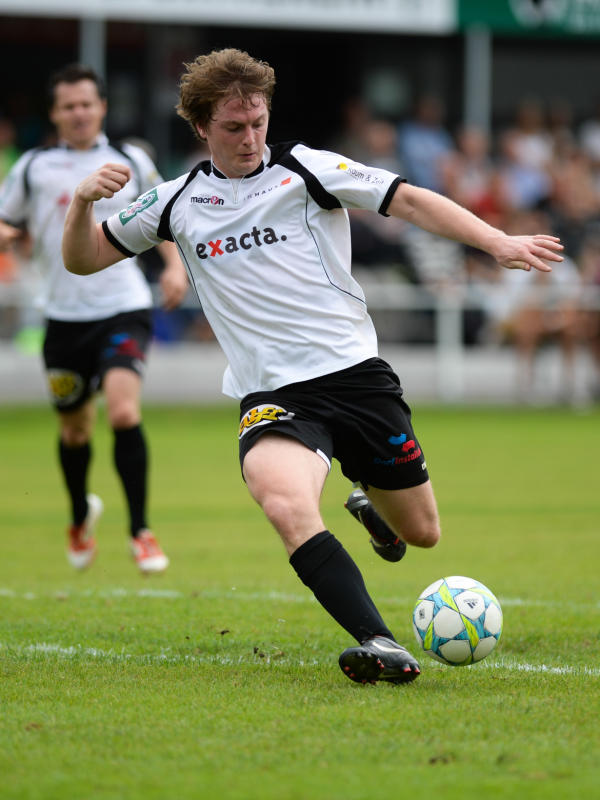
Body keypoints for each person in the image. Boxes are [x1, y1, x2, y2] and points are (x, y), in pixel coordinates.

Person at [61, 49, 563, 684]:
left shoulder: (307, 169)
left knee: (422, 532)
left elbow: (408, 202)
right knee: (284, 502)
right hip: (273, 395)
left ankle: (372, 507)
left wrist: (496, 241)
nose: (250, 139)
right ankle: (379, 642)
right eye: (233, 127)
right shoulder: (174, 201)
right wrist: (82, 205)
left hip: (355, 377)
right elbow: (84, 259)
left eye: (258, 122)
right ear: (202, 127)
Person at [0, 64, 189, 574]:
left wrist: (174, 267)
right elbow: (7, 220)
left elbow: (165, 216)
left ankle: (141, 531)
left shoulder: (131, 159)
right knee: (75, 431)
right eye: (68, 106)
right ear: (55, 113)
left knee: (123, 412)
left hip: (123, 306)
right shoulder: (34, 167)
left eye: (87, 103)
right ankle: (80, 514)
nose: (79, 113)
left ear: (102, 106)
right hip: (62, 316)